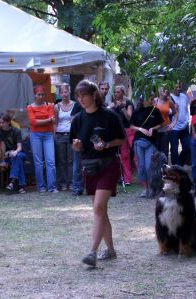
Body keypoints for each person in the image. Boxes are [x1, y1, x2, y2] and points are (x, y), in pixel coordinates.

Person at [70, 80, 125, 267]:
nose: (81, 99)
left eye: (84, 95)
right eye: (78, 96)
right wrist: (77, 146)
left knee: (98, 208)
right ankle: (110, 250)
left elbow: (121, 140)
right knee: (101, 211)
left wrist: (107, 144)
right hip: (89, 167)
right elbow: (75, 144)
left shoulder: (109, 116)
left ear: (94, 95)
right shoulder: (77, 119)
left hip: (108, 165)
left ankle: (92, 252)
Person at [130, 93, 164, 197]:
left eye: (153, 97)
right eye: (150, 97)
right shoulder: (136, 112)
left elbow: (161, 123)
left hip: (151, 142)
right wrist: (140, 129)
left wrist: (152, 129)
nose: (152, 99)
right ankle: (146, 189)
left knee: (149, 166)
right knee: (141, 166)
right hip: (139, 141)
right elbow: (131, 125)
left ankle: (153, 188)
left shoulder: (155, 110)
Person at [26, 85, 58, 193]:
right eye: (39, 94)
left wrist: (44, 120)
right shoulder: (30, 107)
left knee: (50, 161)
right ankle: (41, 186)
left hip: (48, 135)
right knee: (38, 162)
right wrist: (48, 120)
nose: (41, 96)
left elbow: (53, 120)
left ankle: (52, 187)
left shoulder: (49, 105)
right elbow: (33, 122)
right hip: (35, 135)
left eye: (43, 94)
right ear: (35, 95)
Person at [109, 85, 136, 185]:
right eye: (115, 92)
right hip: (120, 131)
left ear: (123, 92)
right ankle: (127, 179)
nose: (116, 94)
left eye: (118, 92)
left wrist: (123, 107)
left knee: (135, 154)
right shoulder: (113, 104)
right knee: (124, 156)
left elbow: (129, 118)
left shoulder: (128, 102)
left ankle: (143, 177)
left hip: (129, 130)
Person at [0, 114, 26, 194]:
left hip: (19, 153)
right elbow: (2, 145)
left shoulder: (16, 131)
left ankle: (12, 182)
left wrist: (15, 152)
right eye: (0, 123)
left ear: (8, 122)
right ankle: (20, 186)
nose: (1, 124)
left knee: (18, 156)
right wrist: (3, 159)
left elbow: (19, 147)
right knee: (18, 160)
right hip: (8, 155)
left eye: (3, 123)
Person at [54, 83, 76, 191]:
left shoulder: (75, 105)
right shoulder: (57, 106)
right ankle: (62, 183)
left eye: (66, 92)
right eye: (62, 92)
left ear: (69, 92)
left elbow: (77, 121)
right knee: (61, 161)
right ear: (59, 94)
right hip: (60, 135)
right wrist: (54, 135)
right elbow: (55, 122)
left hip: (71, 135)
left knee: (71, 161)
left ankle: (71, 183)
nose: (64, 94)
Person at [169, 83, 191, 166]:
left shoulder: (184, 96)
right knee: (174, 150)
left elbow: (186, 110)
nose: (178, 88)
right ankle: (175, 166)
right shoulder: (169, 98)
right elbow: (167, 113)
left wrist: (187, 121)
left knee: (187, 147)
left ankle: (180, 164)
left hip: (184, 127)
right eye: (176, 87)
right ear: (172, 88)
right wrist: (173, 109)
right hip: (174, 128)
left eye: (180, 87)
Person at [155, 88, 178, 159]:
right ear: (159, 90)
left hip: (165, 130)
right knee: (155, 152)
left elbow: (176, 113)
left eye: (167, 89)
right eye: (164, 89)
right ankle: (156, 169)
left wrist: (173, 124)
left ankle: (164, 169)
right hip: (155, 130)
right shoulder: (155, 100)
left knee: (164, 152)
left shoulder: (169, 102)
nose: (166, 90)